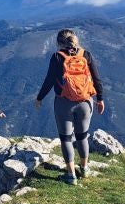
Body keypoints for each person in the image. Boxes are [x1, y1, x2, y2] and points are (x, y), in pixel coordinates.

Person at [35, 29, 105, 185]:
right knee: (82, 136)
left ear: (59, 42)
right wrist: (100, 99)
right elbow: (96, 79)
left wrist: (39, 98)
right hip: (86, 103)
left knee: (66, 139)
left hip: (64, 103)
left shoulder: (57, 57)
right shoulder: (86, 55)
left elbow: (49, 80)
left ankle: (71, 175)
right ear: (76, 40)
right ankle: (85, 169)